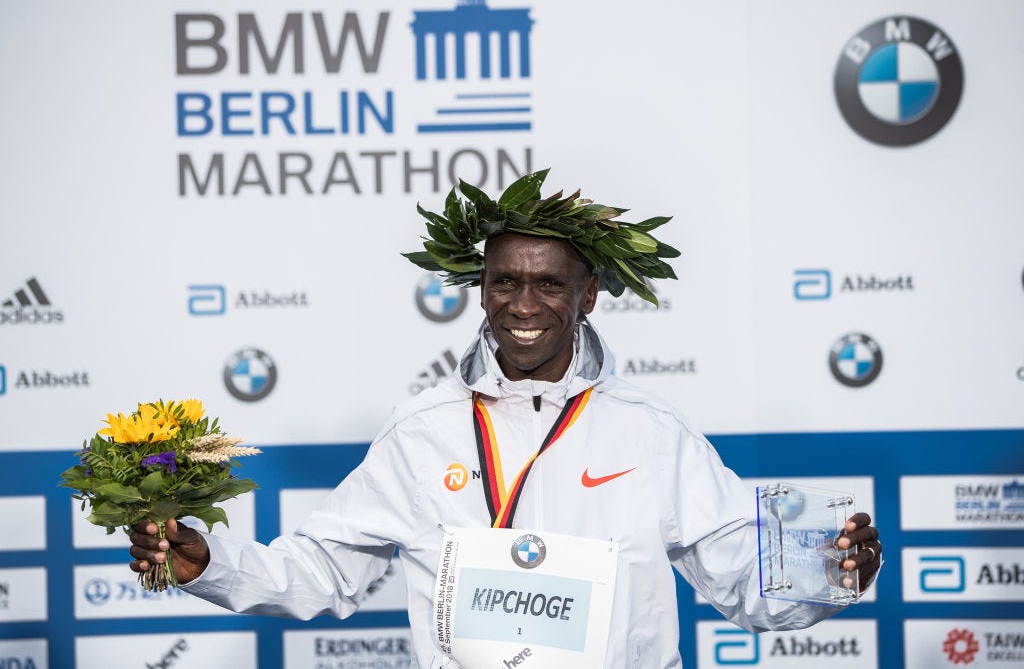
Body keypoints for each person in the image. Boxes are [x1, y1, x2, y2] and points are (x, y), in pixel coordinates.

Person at [129, 170, 883, 667]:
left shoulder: (651, 431)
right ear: (481, 289)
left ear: (588, 293)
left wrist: (829, 571)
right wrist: (211, 562)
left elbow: (737, 572)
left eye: (549, 284)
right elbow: (326, 565)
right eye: (504, 283)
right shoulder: (422, 430)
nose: (524, 306)